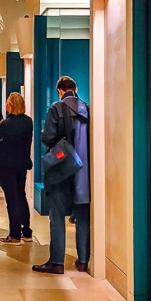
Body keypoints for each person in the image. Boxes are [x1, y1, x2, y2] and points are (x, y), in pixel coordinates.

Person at [33, 76, 91, 275]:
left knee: (57, 215)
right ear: (75, 89)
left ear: (59, 90)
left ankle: (57, 261)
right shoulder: (88, 109)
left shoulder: (56, 108)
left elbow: (48, 137)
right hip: (85, 171)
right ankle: (83, 260)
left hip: (62, 167)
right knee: (83, 215)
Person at [0, 92, 33, 245]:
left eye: (8, 102)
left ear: (11, 105)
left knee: (11, 199)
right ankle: (26, 231)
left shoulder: (7, 123)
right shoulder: (28, 121)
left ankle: (14, 234)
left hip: (7, 165)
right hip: (22, 163)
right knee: (21, 196)